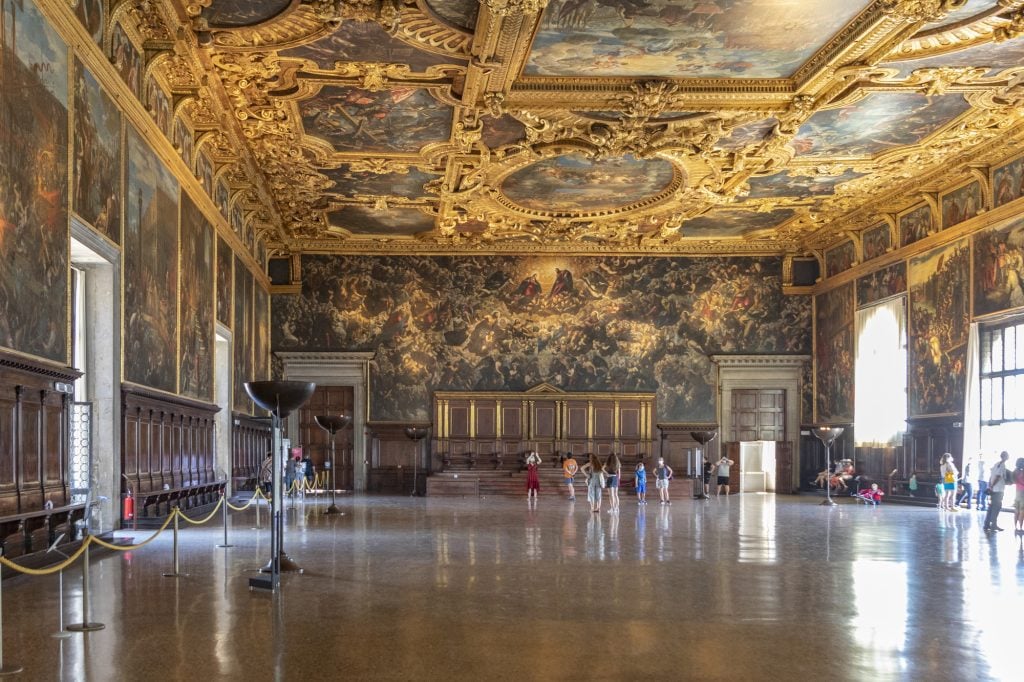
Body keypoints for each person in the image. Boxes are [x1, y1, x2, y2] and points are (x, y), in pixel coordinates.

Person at [984, 451, 1010, 533]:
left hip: (994, 489)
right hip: (998, 489)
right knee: (996, 507)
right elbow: (998, 476)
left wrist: (990, 486)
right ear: (1006, 457)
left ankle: (987, 524)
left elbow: (991, 476)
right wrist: (992, 485)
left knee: (991, 507)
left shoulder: (996, 464)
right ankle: (993, 525)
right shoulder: (1002, 465)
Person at [1012, 458, 1024, 536]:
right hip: (1023, 493)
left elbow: (1013, 481)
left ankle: (1016, 527)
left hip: (1017, 492)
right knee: (1022, 511)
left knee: (1016, 510)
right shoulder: (1023, 472)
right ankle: (1021, 528)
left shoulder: (1015, 472)